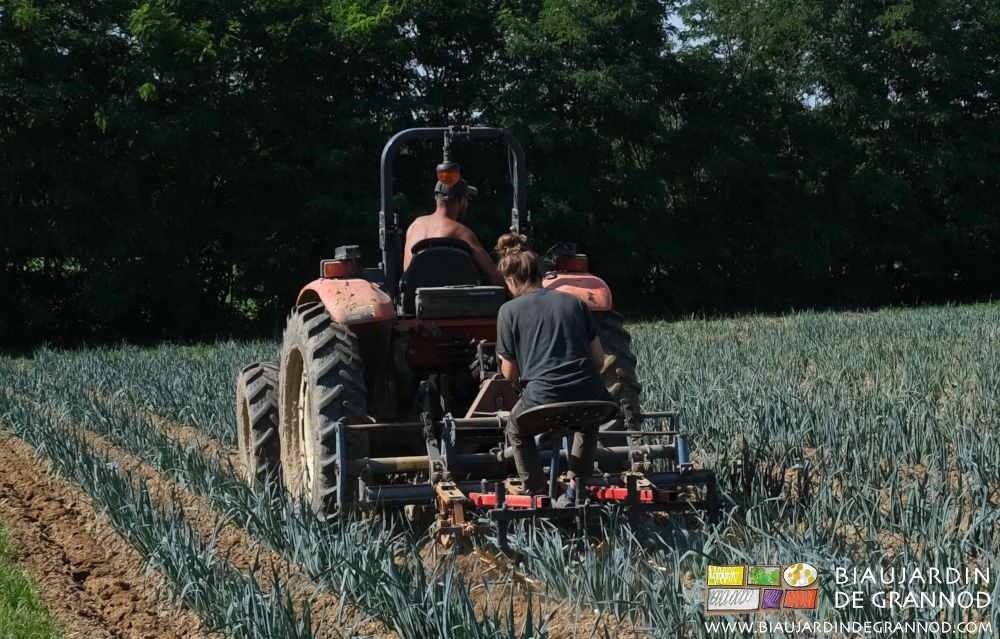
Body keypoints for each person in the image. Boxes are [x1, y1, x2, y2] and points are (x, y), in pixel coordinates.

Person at [494, 233, 611, 506]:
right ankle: (576, 487)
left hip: (542, 401)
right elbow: (599, 361)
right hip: (593, 395)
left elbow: (510, 375)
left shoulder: (509, 311)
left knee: (516, 429)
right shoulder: (575, 302)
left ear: (511, 281)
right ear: (541, 274)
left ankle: (537, 492)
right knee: (589, 419)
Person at [403, 179, 505, 287]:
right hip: (456, 300)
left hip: (415, 300)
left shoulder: (415, 226)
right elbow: (492, 272)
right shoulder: (461, 232)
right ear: (462, 201)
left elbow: (407, 271)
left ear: (436, 198)